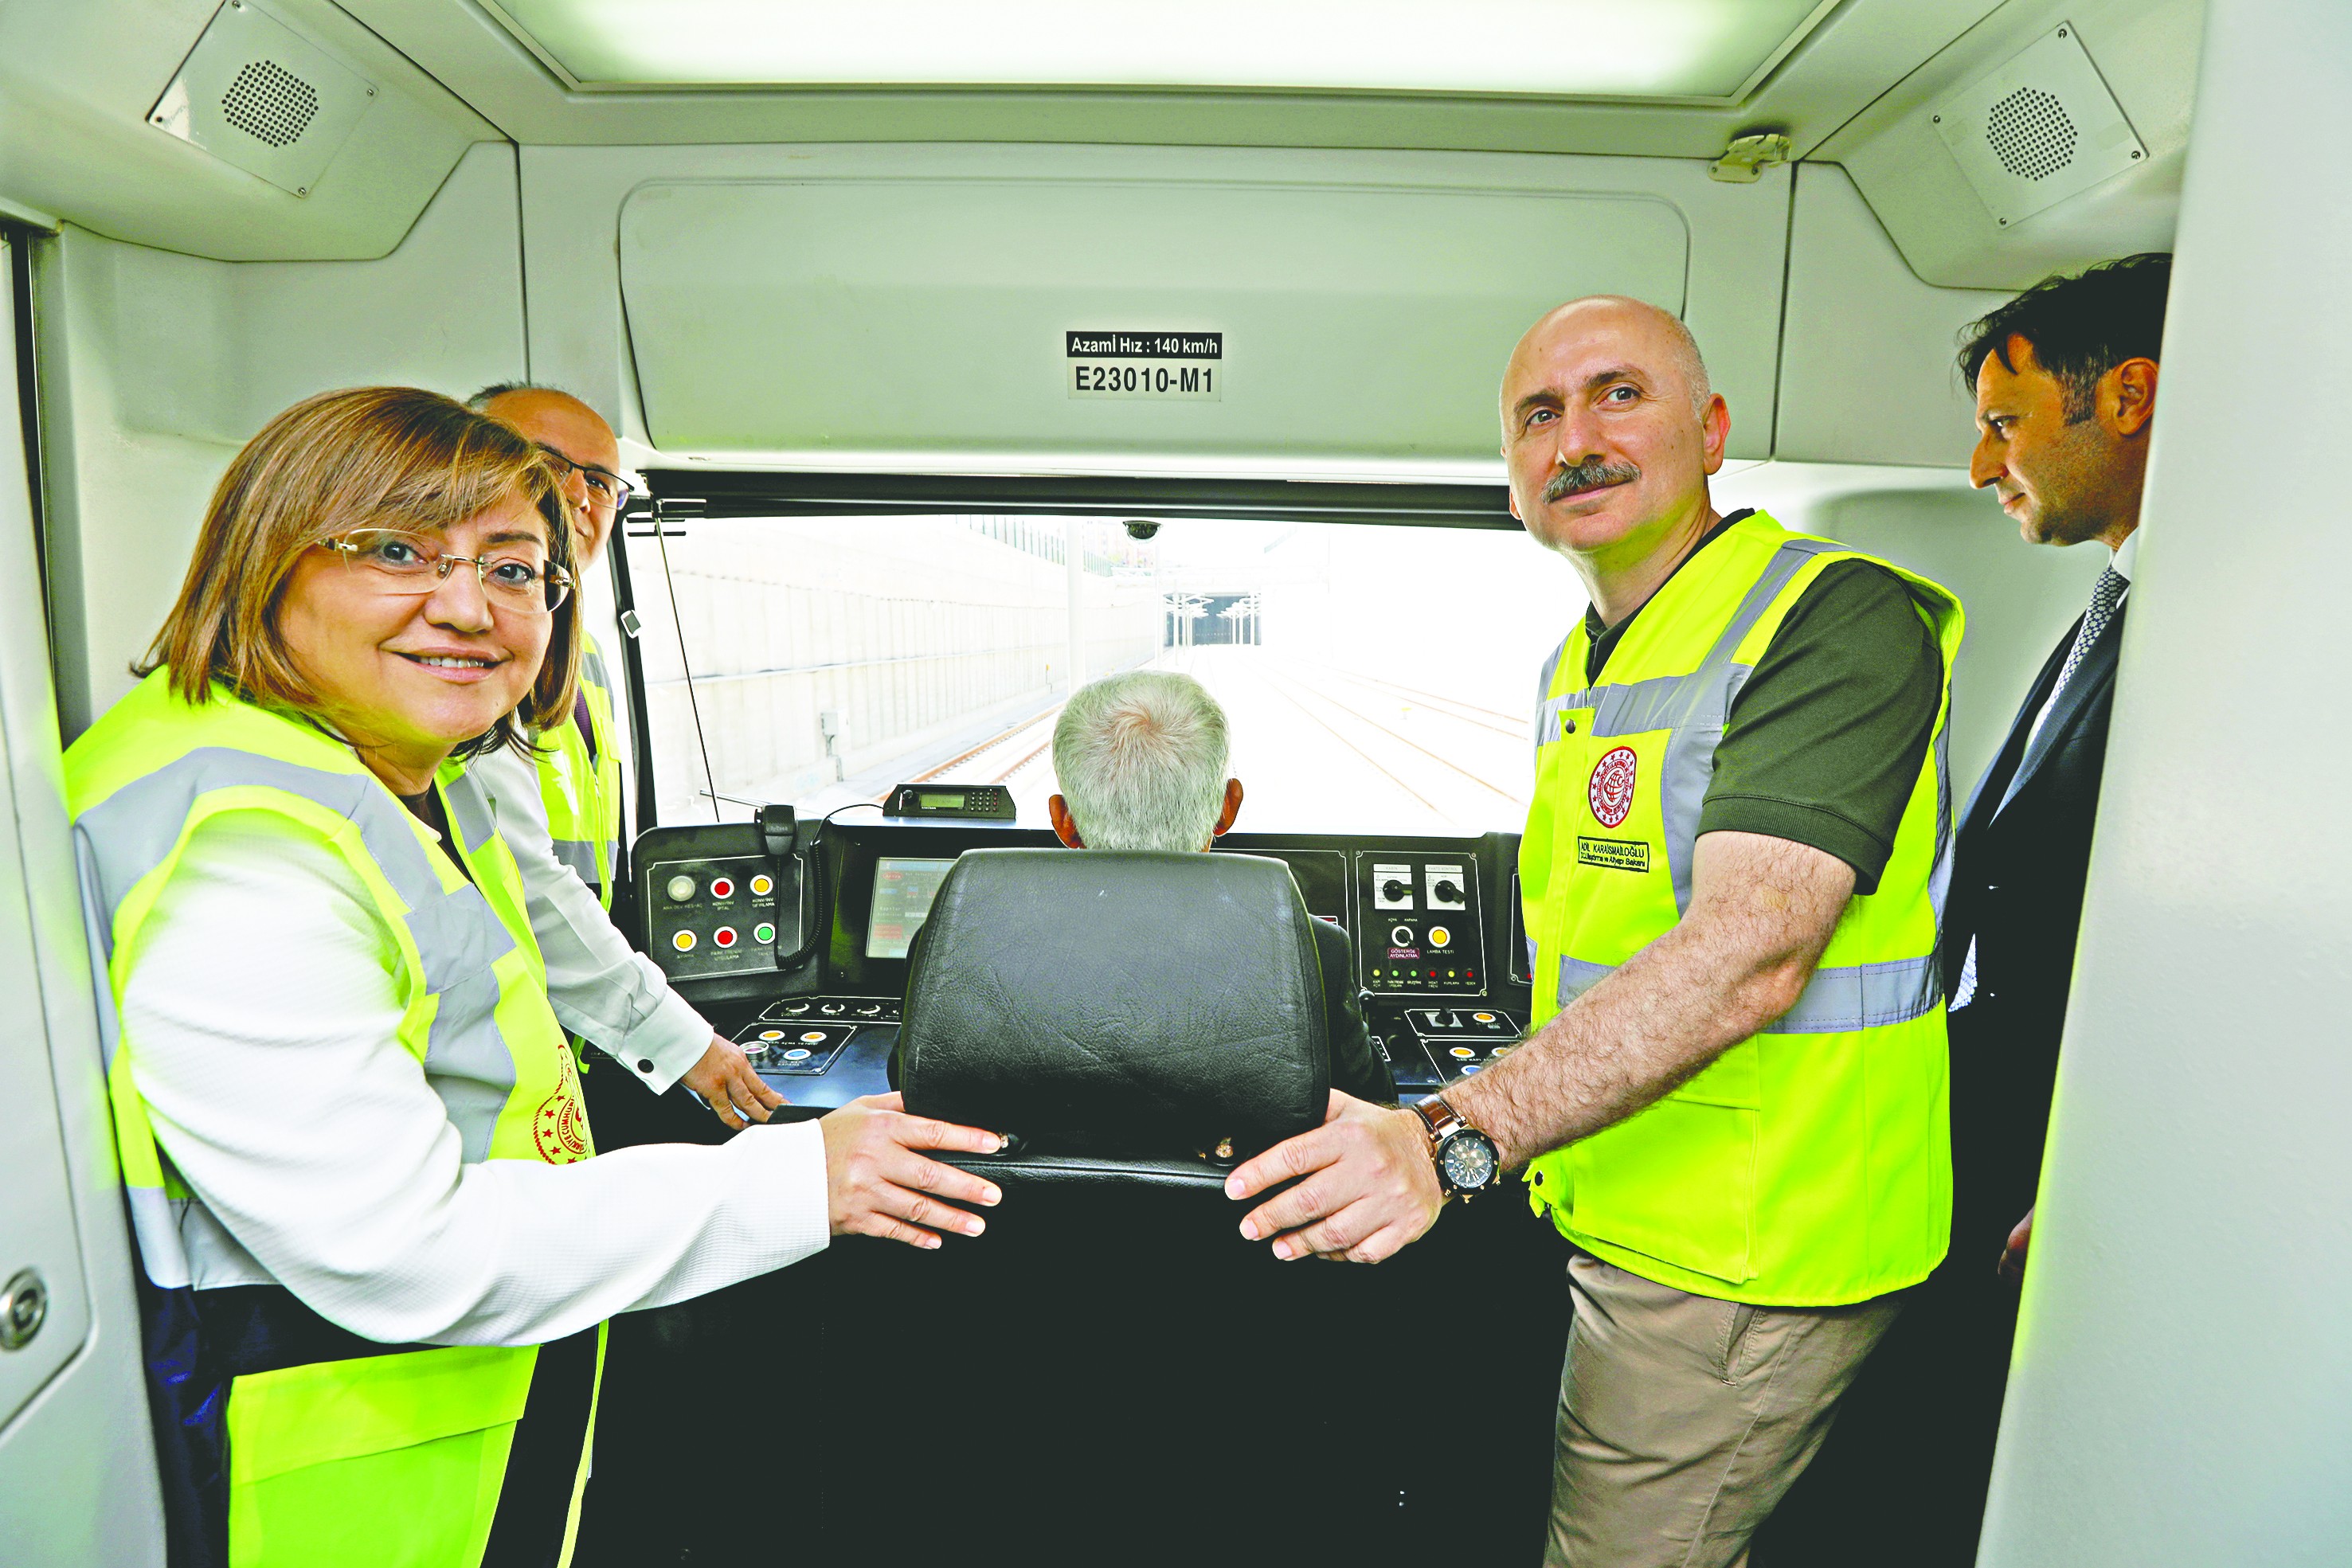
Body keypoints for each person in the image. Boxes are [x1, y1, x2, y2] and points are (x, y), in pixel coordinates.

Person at [66, 386, 1006, 1566]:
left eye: (514, 571)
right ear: (265, 559)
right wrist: (793, 1179)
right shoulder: (248, 852)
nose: (467, 607)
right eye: (397, 550)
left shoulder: (396, 766)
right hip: (343, 1462)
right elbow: (405, 1249)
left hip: (456, 1404)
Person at [1224, 295, 1963, 1566]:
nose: (1577, 438)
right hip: (1621, 1201)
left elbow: (1753, 951)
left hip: (1746, 1250)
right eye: (1538, 415)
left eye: (1619, 393)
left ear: (1712, 428)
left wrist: (1452, 1131)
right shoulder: (1586, 660)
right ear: (1514, 475)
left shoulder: (1829, 619)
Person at [1755, 253, 2170, 1567]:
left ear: (2127, 394)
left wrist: (2096, 1175)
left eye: (2003, 423)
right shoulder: (2117, 599)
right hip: (1974, 1125)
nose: (1983, 466)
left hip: (2044, 1152)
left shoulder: (2208, 627)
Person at [463, 384, 778, 1133]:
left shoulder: (586, 656)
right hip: (492, 1036)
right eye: (544, 462)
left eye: (600, 479)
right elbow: (524, 877)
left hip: (570, 1036)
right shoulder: (462, 656)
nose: (576, 493)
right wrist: (681, 1040)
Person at [1044, 669, 1393, 1104]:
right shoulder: (1317, 953)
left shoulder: (964, 941)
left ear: (1063, 821)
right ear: (1228, 807)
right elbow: (1376, 1111)